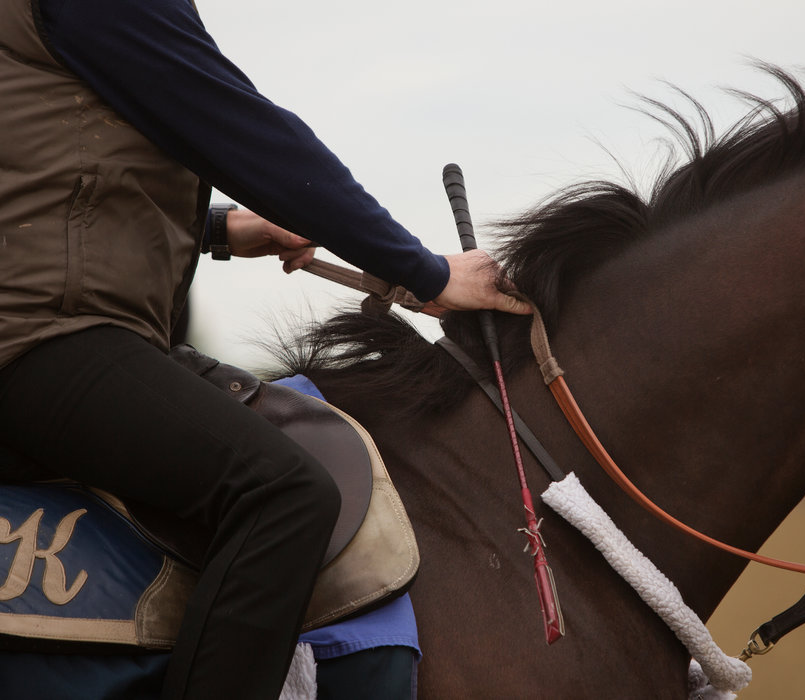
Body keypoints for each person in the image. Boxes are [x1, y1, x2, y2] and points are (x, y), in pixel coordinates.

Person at [0, 1, 529, 698]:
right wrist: (424, 271)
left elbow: (47, 168)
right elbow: (240, 132)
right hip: (43, 338)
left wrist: (220, 229)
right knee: (285, 493)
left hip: (55, 327)